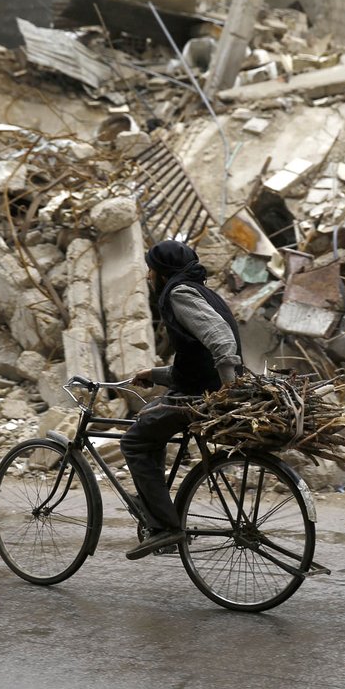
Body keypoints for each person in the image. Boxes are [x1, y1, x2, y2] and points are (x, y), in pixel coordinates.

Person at [120, 240, 243, 560]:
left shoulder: (179, 293)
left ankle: (165, 528)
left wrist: (229, 392)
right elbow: (194, 362)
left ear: (163, 272)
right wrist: (154, 374)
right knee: (148, 417)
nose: (148, 276)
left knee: (133, 442)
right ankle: (155, 503)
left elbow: (220, 339)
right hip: (198, 387)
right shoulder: (201, 291)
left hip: (203, 396)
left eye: (151, 269)